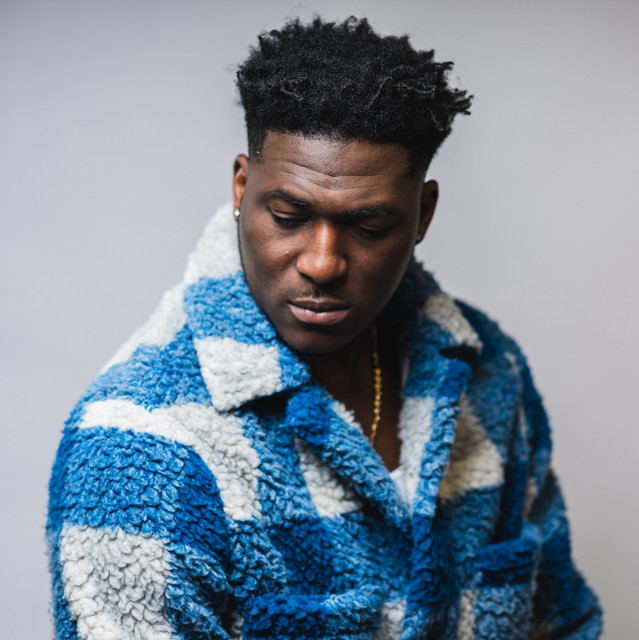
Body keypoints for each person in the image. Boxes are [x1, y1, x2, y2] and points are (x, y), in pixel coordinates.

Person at [47, 16, 602, 640]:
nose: (322, 263)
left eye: (368, 227)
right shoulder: (139, 446)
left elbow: (565, 622)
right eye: (288, 216)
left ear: (423, 213)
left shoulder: (490, 371)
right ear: (241, 187)